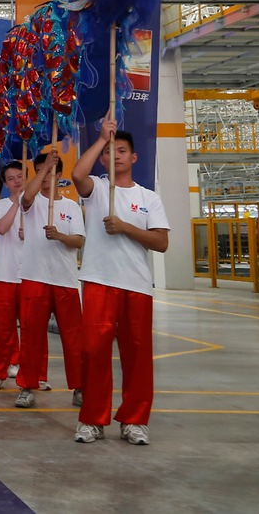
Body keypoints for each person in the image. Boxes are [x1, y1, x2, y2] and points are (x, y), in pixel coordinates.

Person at [72, 115, 170, 446]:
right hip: (99, 280)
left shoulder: (148, 198)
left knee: (137, 355)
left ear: (134, 157)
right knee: (94, 352)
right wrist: (101, 137)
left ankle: (134, 420)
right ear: (102, 157)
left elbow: (161, 242)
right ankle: (92, 420)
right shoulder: (97, 188)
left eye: (122, 150)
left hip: (137, 285)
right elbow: (76, 175)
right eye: (110, 152)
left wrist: (125, 227)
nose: (115, 156)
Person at [15, 149, 85, 409]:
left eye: (51, 172)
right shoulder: (31, 202)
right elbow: (27, 198)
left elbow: (78, 240)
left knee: (73, 338)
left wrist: (60, 236)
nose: (46, 177)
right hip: (35, 277)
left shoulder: (71, 207)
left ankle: (80, 387)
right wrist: (45, 167)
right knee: (32, 336)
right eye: (40, 172)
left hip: (65, 279)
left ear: (60, 176)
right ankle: (26, 386)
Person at [0, 161, 25, 391]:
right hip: (4, 275)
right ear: (5, 183)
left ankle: (34, 374)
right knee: (0, 330)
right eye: (11, 178)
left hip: (29, 275)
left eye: (20, 176)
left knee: (31, 330)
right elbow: (1, 228)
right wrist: (16, 203)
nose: (17, 181)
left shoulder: (39, 205)